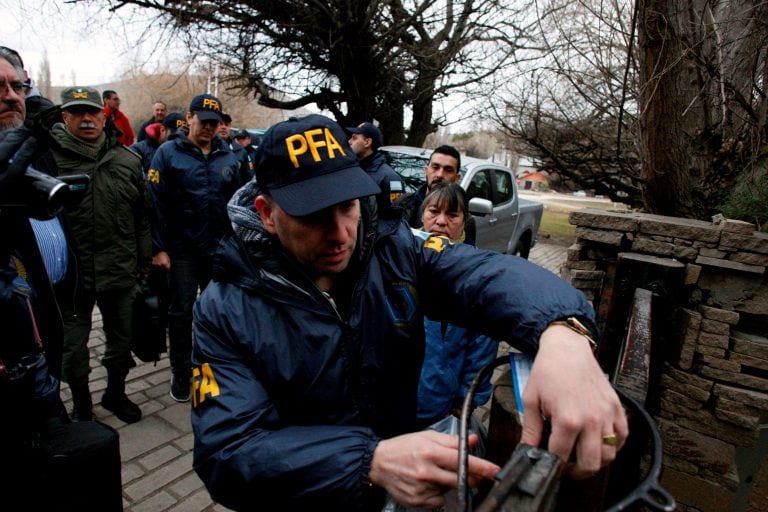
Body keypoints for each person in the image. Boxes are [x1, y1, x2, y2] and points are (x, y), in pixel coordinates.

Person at [190, 114, 627, 511]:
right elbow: (228, 452)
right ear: (267, 213)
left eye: (348, 206)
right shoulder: (224, 307)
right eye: (315, 216)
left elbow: (483, 274)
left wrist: (562, 332)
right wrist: (369, 461)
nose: (341, 234)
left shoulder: (395, 251)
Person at [36, 86, 152, 423]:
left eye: (93, 112)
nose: (87, 119)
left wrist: (144, 261)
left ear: (105, 116)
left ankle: (115, 393)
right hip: (72, 277)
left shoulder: (127, 159)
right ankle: (82, 406)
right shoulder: (49, 161)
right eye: (78, 113)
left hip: (119, 271)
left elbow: (143, 215)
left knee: (121, 341)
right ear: (65, 117)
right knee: (73, 348)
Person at [147, 93, 243, 402]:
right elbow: (155, 205)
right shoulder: (167, 154)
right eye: (203, 121)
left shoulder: (229, 156)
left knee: (215, 314)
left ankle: (208, 371)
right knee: (181, 312)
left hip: (218, 250)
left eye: (214, 123)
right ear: (189, 117)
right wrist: (158, 248)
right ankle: (180, 371)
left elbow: (238, 205)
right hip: (182, 250)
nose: (209, 128)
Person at [413, 182, 497, 428]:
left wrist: (466, 400)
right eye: (434, 212)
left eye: (452, 215)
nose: (441, 222)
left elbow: (482, 347)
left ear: (464, 221)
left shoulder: (475, 274)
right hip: (388, 406)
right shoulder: (399, 258)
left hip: (439, 408)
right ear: (422, 214)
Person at [394, 144, 476, 245]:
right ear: (426, 170)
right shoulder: (403, 204)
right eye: (435, 167)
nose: (440, 174)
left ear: (457, 178)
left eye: (448, 170)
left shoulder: (465, 219)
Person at [348, 121, 404, 213]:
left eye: (354, 138)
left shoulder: (389, 178)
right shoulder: (353, 170)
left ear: (367, 142)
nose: (349, 142)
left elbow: (392, 220)